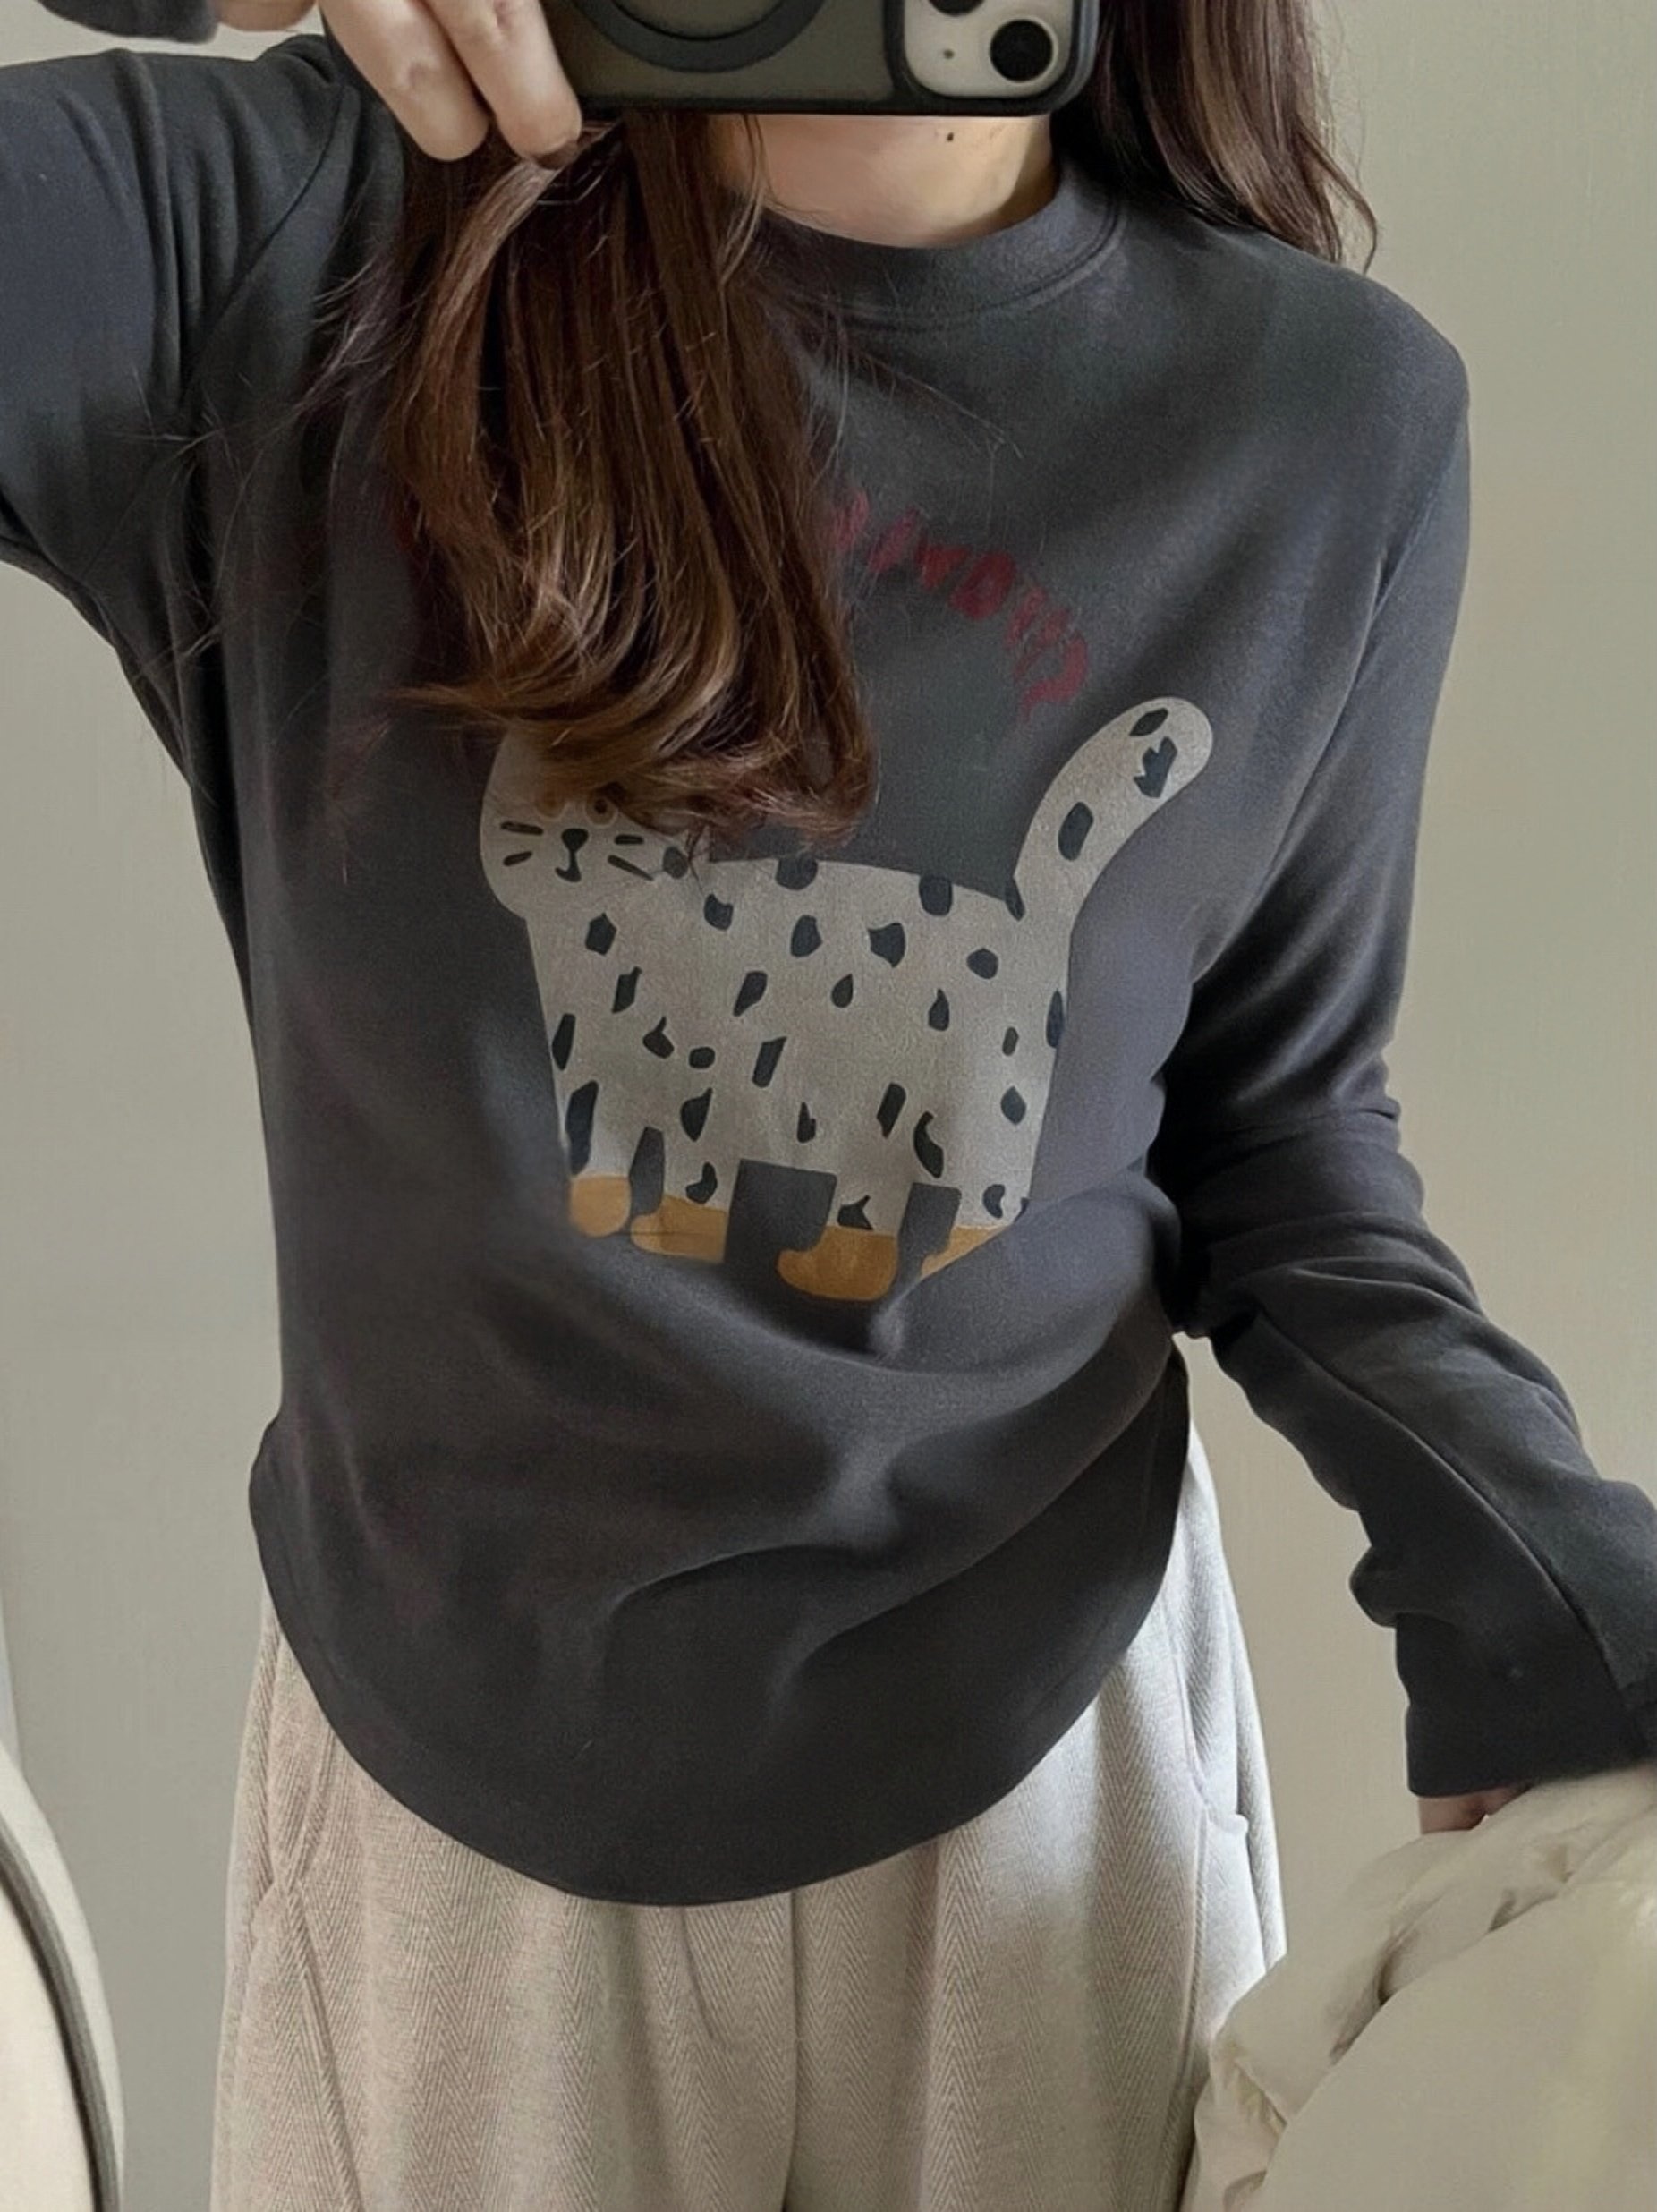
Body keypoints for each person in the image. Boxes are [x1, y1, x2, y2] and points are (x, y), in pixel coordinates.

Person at [4, 3, 1655, 2207]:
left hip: (1044, 1783)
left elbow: (1275, 1130)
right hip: (460, 1804)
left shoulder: (1322, 417)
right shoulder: (286, 242)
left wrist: (1541, 1581)